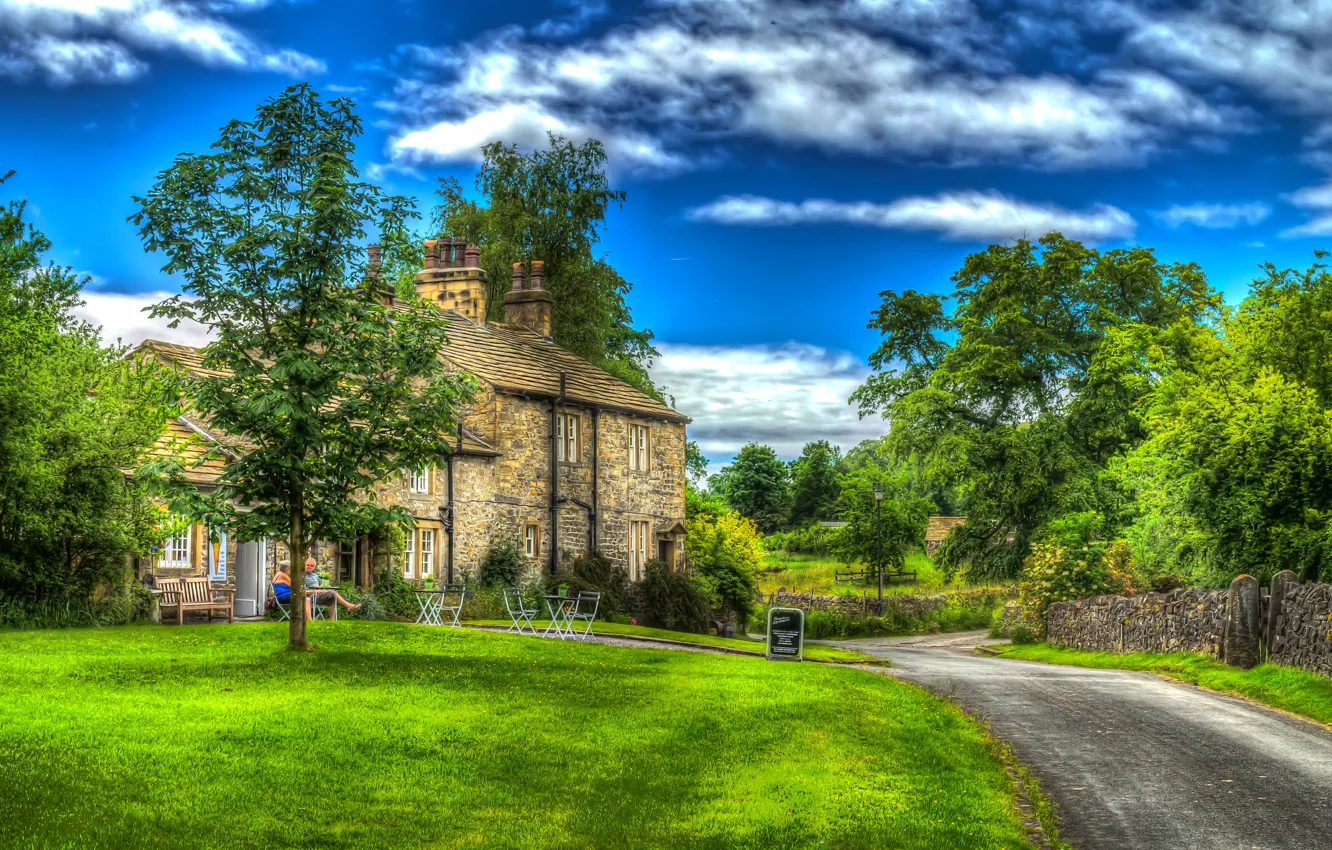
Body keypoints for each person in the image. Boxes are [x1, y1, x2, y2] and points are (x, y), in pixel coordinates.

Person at [272, 558, 360, 618]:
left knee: (331, 595)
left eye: (311, 565)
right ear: (287, 569)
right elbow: (297, 588)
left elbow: (295, 588)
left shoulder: (315, 575)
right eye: (307, 565)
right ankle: (348, 606)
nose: (292, 571)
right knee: (328, 594)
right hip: (293, 596)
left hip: (297, 594)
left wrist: (320, 588)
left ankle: (333, 620)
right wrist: (314, 591)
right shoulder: (289, 575)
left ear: (314, 567)